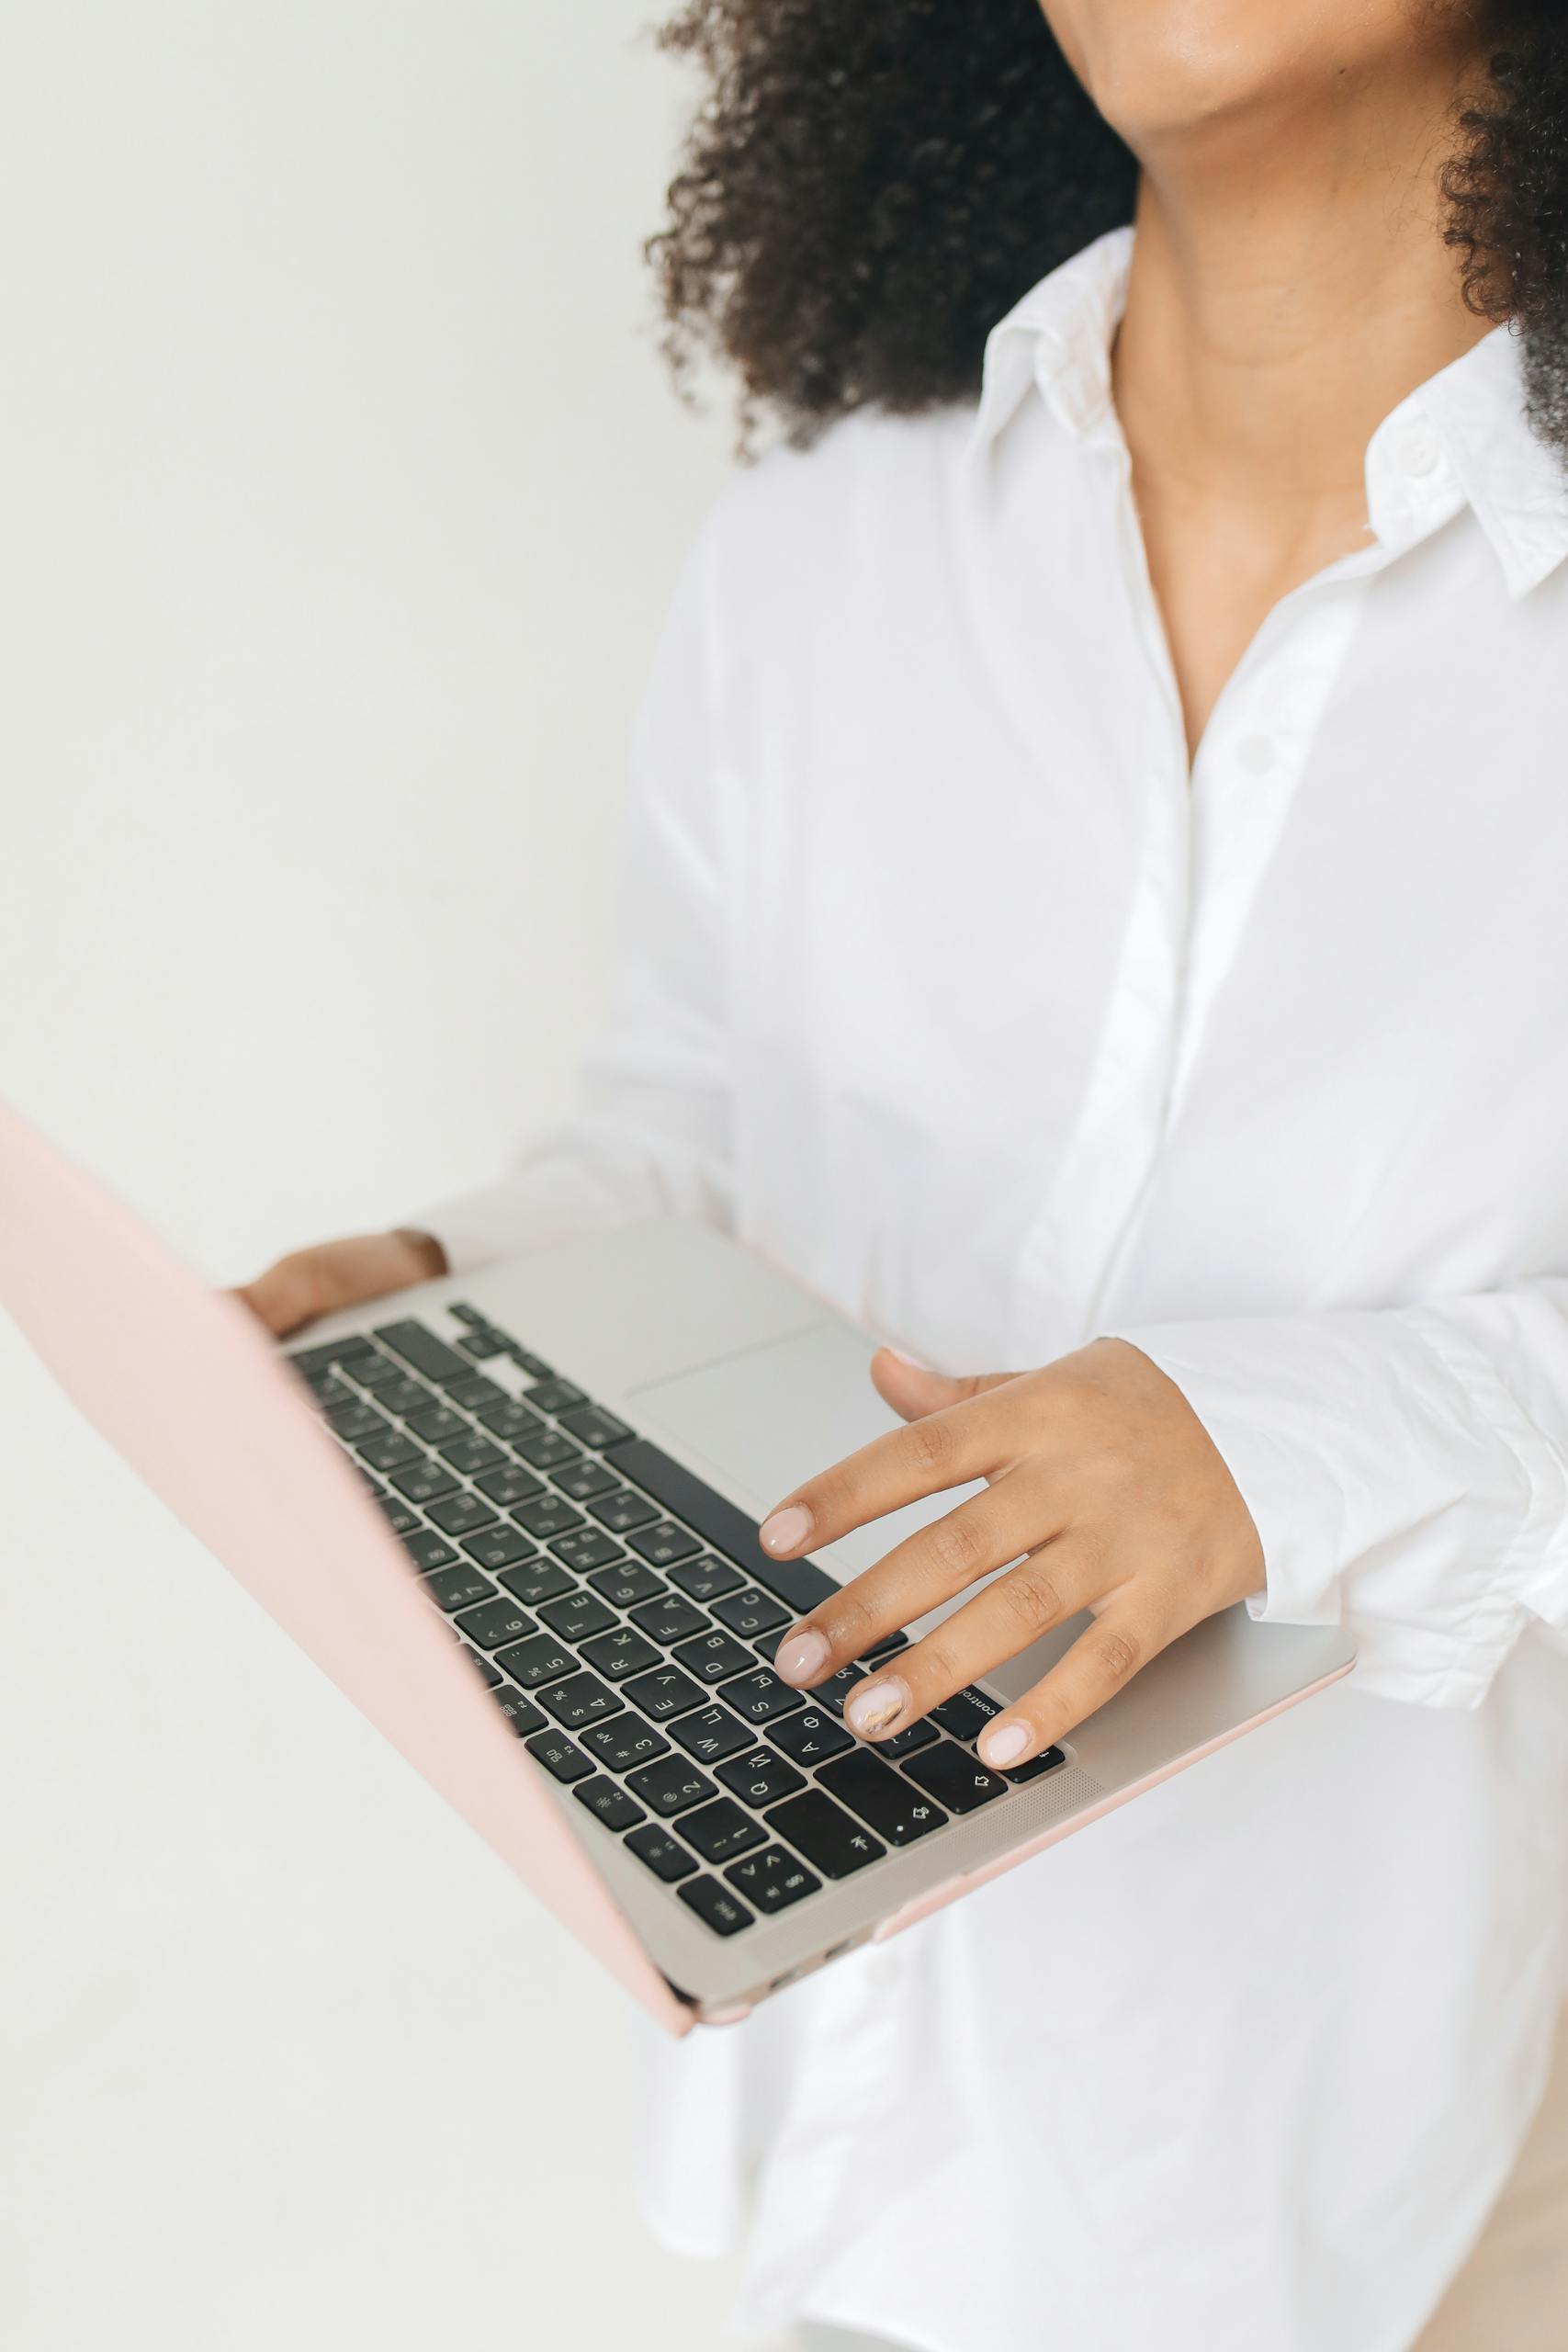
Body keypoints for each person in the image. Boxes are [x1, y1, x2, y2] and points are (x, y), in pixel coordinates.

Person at [241, 3, 1568, 2346]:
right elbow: (692, 1138)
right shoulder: (827, 547)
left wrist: (1267, 1445)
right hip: (847, 2104)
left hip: (1381, 2186)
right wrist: (438, 1284)